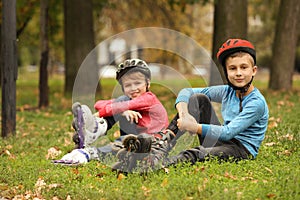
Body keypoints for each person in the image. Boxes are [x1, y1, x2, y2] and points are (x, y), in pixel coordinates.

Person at [112, 38, 269, 172]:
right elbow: (187, 91)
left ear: (254, 70)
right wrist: (184, 114)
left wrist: (194, 127)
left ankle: (153, 166)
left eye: (244, 67)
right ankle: (158, 148)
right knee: (198, 99)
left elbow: (228, 132)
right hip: (222, 141)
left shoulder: (256, 103)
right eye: (232, 68)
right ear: (226, 72)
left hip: (240, 149)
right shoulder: (226, 91)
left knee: (194, 153)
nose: (238, 73)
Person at [52, 58, 173, 165]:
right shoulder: (128, 100)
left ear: (148, 83)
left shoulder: (149, 98)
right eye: (128, 85)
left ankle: (93, 141)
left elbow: (116, 107)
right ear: (123, 88)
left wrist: (101, 114)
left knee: (121, 107)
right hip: (133, 139)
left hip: (151, 144)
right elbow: (98, 103)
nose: (133, 88)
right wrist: (123, 111)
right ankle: (95, 130)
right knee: (121, 105)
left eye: (138, 83)